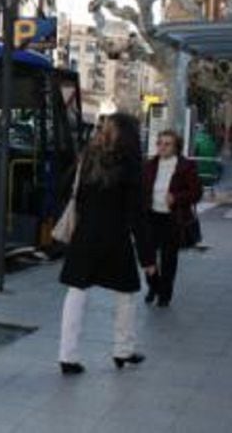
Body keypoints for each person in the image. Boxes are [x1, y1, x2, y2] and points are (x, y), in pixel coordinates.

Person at [58, 112, 154, 375]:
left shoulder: (89, 157)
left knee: (76, 292)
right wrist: (147, 258)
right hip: (116, 238)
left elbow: (66, 189)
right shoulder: (131, 165)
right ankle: (123, 350)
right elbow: (137, 213)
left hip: (85, 235)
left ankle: (68, 355)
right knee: (126, 294)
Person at [143, 130, 203, 308]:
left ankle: (165, 295)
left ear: (176, 146)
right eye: (160, 143)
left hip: (173, 219)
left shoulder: (186, 166)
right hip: (151, 217)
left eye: (167, 143)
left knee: (169, 259)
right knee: (147, 257)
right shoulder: (149, 164)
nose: (162, 147)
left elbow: (196, 192)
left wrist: (176, 198)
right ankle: (154, 286)